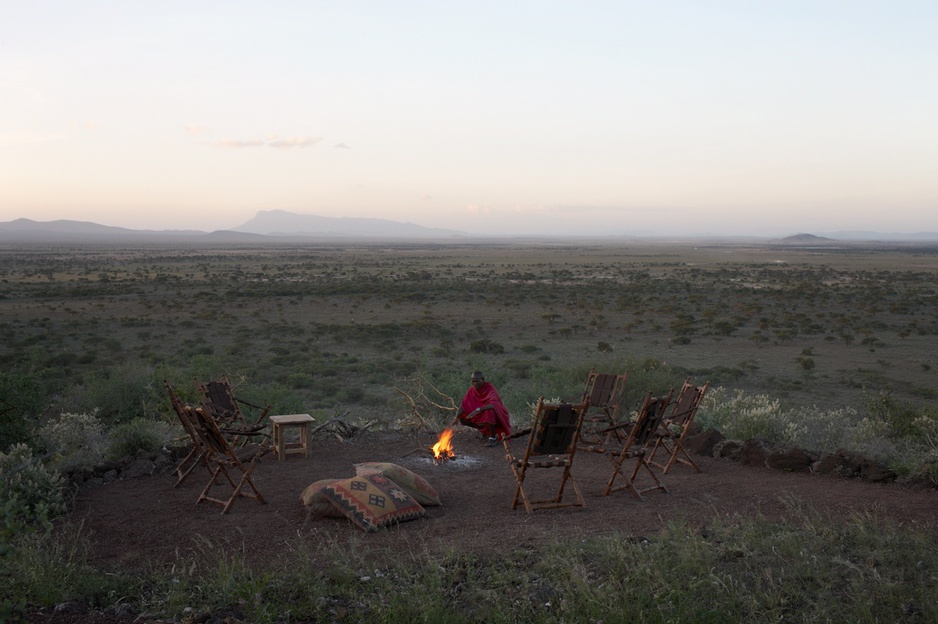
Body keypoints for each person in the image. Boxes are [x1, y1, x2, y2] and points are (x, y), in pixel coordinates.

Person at [450, 371, 512, 446]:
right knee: (462, 416)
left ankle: (492, 439)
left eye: (477, 381)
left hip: (496, 415)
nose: (475, 383)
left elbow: (494, 404)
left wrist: (478, 410)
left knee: (490, 411)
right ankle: (485, 432)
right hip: (481, 415)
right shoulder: (472, 389)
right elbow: (464, 404)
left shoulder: (490, 387)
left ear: (483, 380)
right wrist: (456, 418)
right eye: (473, 381)